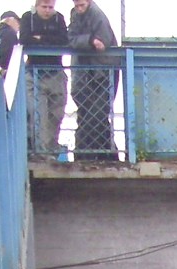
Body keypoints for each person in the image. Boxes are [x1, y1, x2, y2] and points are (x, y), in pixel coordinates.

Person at [67, 0, 117, 160]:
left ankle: (88, 153)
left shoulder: (97, 15)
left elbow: (103, 42)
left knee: (97, 114)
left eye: (82, 5)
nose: (79, 9)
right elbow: (71, 38)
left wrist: (84, 41)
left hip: (102, 72)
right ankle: (104, 154)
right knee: (89, 113)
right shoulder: (75, 14)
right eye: (77, 5)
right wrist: (89, 40)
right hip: (87, 73)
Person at [17, 0, 67, 157]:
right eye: (44, 7)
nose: (47, 11)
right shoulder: (27, 18)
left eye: (50, 7)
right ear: (37, 6)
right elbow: (24, 39)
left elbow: (64, 40)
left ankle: (52, 150)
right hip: (34, 74)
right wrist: (49, 39)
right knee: (39, 115)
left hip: (56, 73)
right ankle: (42, 154)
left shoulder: (59, 18)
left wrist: (40, 38)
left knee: (57, 114)